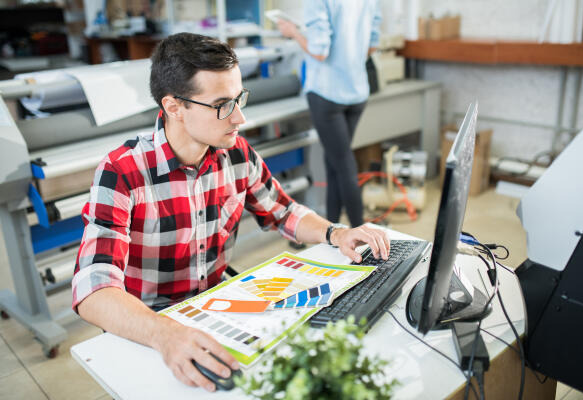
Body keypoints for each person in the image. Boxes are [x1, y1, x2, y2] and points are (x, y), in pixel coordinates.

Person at [72, 33, 389, 392]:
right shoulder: (122, 171)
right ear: (174, 107)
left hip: (216, 308)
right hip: (149, 324)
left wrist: (337, 233)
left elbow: (284, 212)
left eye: (239, 98)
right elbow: (93, 291)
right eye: (223, 104)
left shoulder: (236, 153)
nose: (240, 116)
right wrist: (165, 335)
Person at [277, 0, 382, 228]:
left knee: (343, 164)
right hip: (356, 91)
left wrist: (293, 32)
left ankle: (361, 235)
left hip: (327, 93)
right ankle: (332, 230)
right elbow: (372, 45)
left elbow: (319, 52)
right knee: (334, 160)